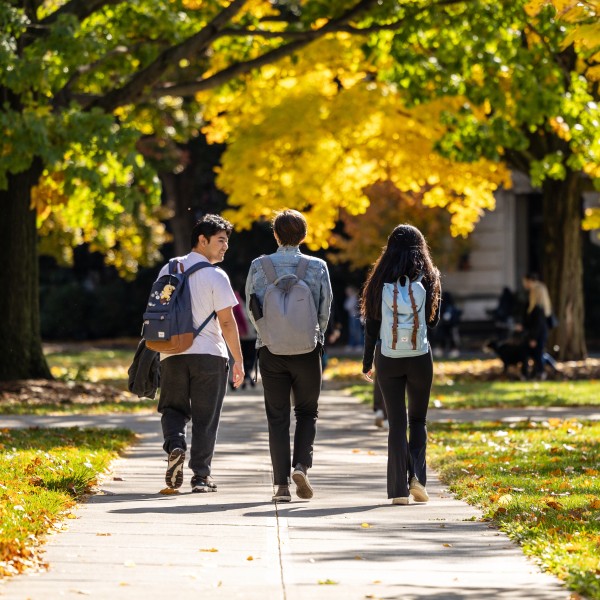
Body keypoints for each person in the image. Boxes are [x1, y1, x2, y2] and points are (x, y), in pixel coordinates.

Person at [245, 209, 332, 503]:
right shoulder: (317, 266)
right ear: (304, 236)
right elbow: (324, 308)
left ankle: (281, 486)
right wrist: (316, 336)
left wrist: (266, 334)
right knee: (307, 412)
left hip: (271, 351)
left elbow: (251, 306)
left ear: (275, 235)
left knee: (277, 417)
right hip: (307, 351)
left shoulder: (259, 266)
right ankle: (301, 466)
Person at [159, 214, 244, 493]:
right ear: (202, 240)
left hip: (171, 353)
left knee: (172, 408)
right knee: (206, 417)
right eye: (220, 241)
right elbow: (228, 322)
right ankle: (201, 477)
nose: (225, 247)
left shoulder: (168, 269)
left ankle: (175, 445)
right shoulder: (215, 275)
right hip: (209, 354)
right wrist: (238, 360)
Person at [361, 224, 441, 505]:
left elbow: (372, 326)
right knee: (418, 420)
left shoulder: (379, 278)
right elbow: (433, 322)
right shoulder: (430, 277)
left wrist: (367, 361)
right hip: (420, 356)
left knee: (397, 422)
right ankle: (417, 478)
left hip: (389, 357)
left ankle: (397, 491)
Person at [520, 272, 553, 380]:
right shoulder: (541, 307)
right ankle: (534, 373)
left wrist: (533, 337)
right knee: (536, 353)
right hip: (539, 333)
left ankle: (539, 373)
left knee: (537, 354)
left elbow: (537, 324)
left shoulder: (538, 308)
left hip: (537, 334)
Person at [230, 290, 257, 390]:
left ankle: (247, 376)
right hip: (251, 336)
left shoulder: (236, 303)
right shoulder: (251, 301)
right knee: (250, 358)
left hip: (242, 336)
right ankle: (248, 376)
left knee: (245, 358)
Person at [434, 290, 462, 358]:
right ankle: (453, 351)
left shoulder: (443, 306)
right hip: (451, 326)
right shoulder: (452, 306)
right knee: (452, 338)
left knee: (443, 338)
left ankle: (441, 351)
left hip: (444, 326)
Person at [343, 285, 363, 351]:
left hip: (356, 316)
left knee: (357, 331)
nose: (347, 292)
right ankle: (352, 345)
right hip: (351, 316)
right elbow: (346, 306)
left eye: (348, 290)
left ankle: (359, 345)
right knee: (352, 331)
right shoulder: (350, 298)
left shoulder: (355, 297)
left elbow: (350, 306)